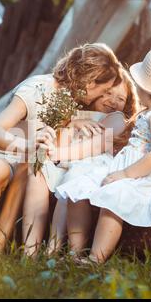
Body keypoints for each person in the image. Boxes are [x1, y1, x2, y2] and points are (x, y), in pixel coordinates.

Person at [0, 43, 122, 259]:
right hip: (3, 154)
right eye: (104, 89)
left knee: (32, 165)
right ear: (90, 83)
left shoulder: (74, 99)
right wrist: (27, 146)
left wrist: (74, 123)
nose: (104, 95)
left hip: (31, 165)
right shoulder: (36, 88)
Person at [55, 46, 151, 264]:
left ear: (145, 87)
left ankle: (96, 259)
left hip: (148, 174)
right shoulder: (150, 112)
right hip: (126, 168)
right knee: (78, 188)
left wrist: (124, 174)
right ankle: (74, 254)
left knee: (116, 194)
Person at [45, 68, 137, 255]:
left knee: (70, 184)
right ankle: (51, 247)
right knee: (59, 182)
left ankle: (65, 250)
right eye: (108, 93)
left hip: (94, 164)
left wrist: (59, 153)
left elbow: (97, 146)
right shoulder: (76, 115)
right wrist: (72, 124)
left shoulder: (116, 119)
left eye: (120, 99)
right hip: (67, 161)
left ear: (126, 104)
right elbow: (60, 139)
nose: (113, 101)